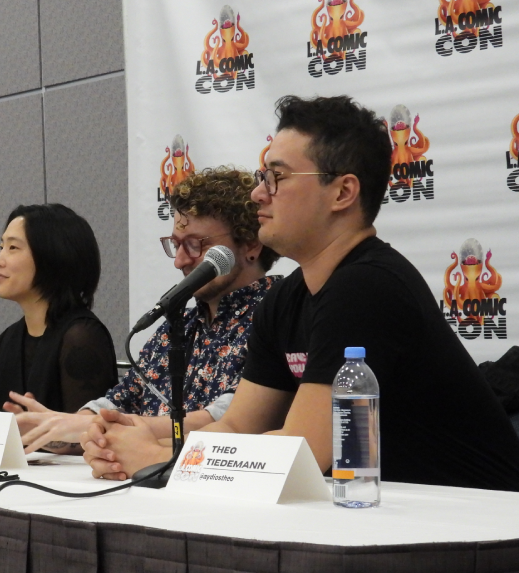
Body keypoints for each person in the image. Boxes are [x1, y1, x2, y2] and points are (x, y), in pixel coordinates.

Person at [82, 95, 519, 491]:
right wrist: (142, 443)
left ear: (343, 192)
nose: (258, 194)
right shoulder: (285, 299)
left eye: (277, 178)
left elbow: (304, 452)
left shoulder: (368, 287)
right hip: (386, 516)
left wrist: (161, 460)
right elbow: (236, 428)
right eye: (262, 177)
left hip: (476, 523)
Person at [4, 168, 280, 455]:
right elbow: (121, 399)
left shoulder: (277, 316)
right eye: (176, 245)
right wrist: (60, 427)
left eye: (196, 245)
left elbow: (230, 419)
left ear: (251, 245)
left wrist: (96, 427)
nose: (180, 261)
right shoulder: (180, 323)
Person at [0, 204, 118, 416]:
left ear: (52, 257)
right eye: (1, 247)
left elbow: (88, 431)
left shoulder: (81, 337)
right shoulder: (7, 341)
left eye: (13, 248)